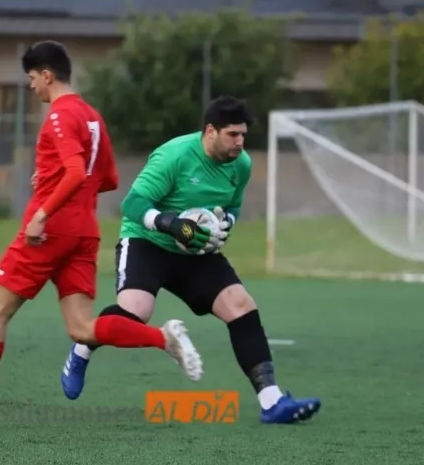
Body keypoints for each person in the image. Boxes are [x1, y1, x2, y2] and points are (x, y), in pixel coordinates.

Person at [0, 41, 202, 431]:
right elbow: (107, 179)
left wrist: (43, 213)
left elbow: (75, 172)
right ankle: (162, 338)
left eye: (32, 78)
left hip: (49, 232)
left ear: (47, 75)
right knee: (81, 328)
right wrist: (54, 175)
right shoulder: (92, 116)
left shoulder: (59, 114)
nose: (31, 86)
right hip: (84, 232)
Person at [59, 96, 322, 424]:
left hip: (195, 250)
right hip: (147, 241)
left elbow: (233, 205)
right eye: (233, 135)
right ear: (210, 131)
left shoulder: (241, 165)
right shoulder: (175, 155)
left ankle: (272, 402)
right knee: (135, 312)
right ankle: (83, 346)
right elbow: (132, 203)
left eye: (243, 135)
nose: (240, 142)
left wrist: (226, 224)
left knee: (241, 305)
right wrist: (169, 223)